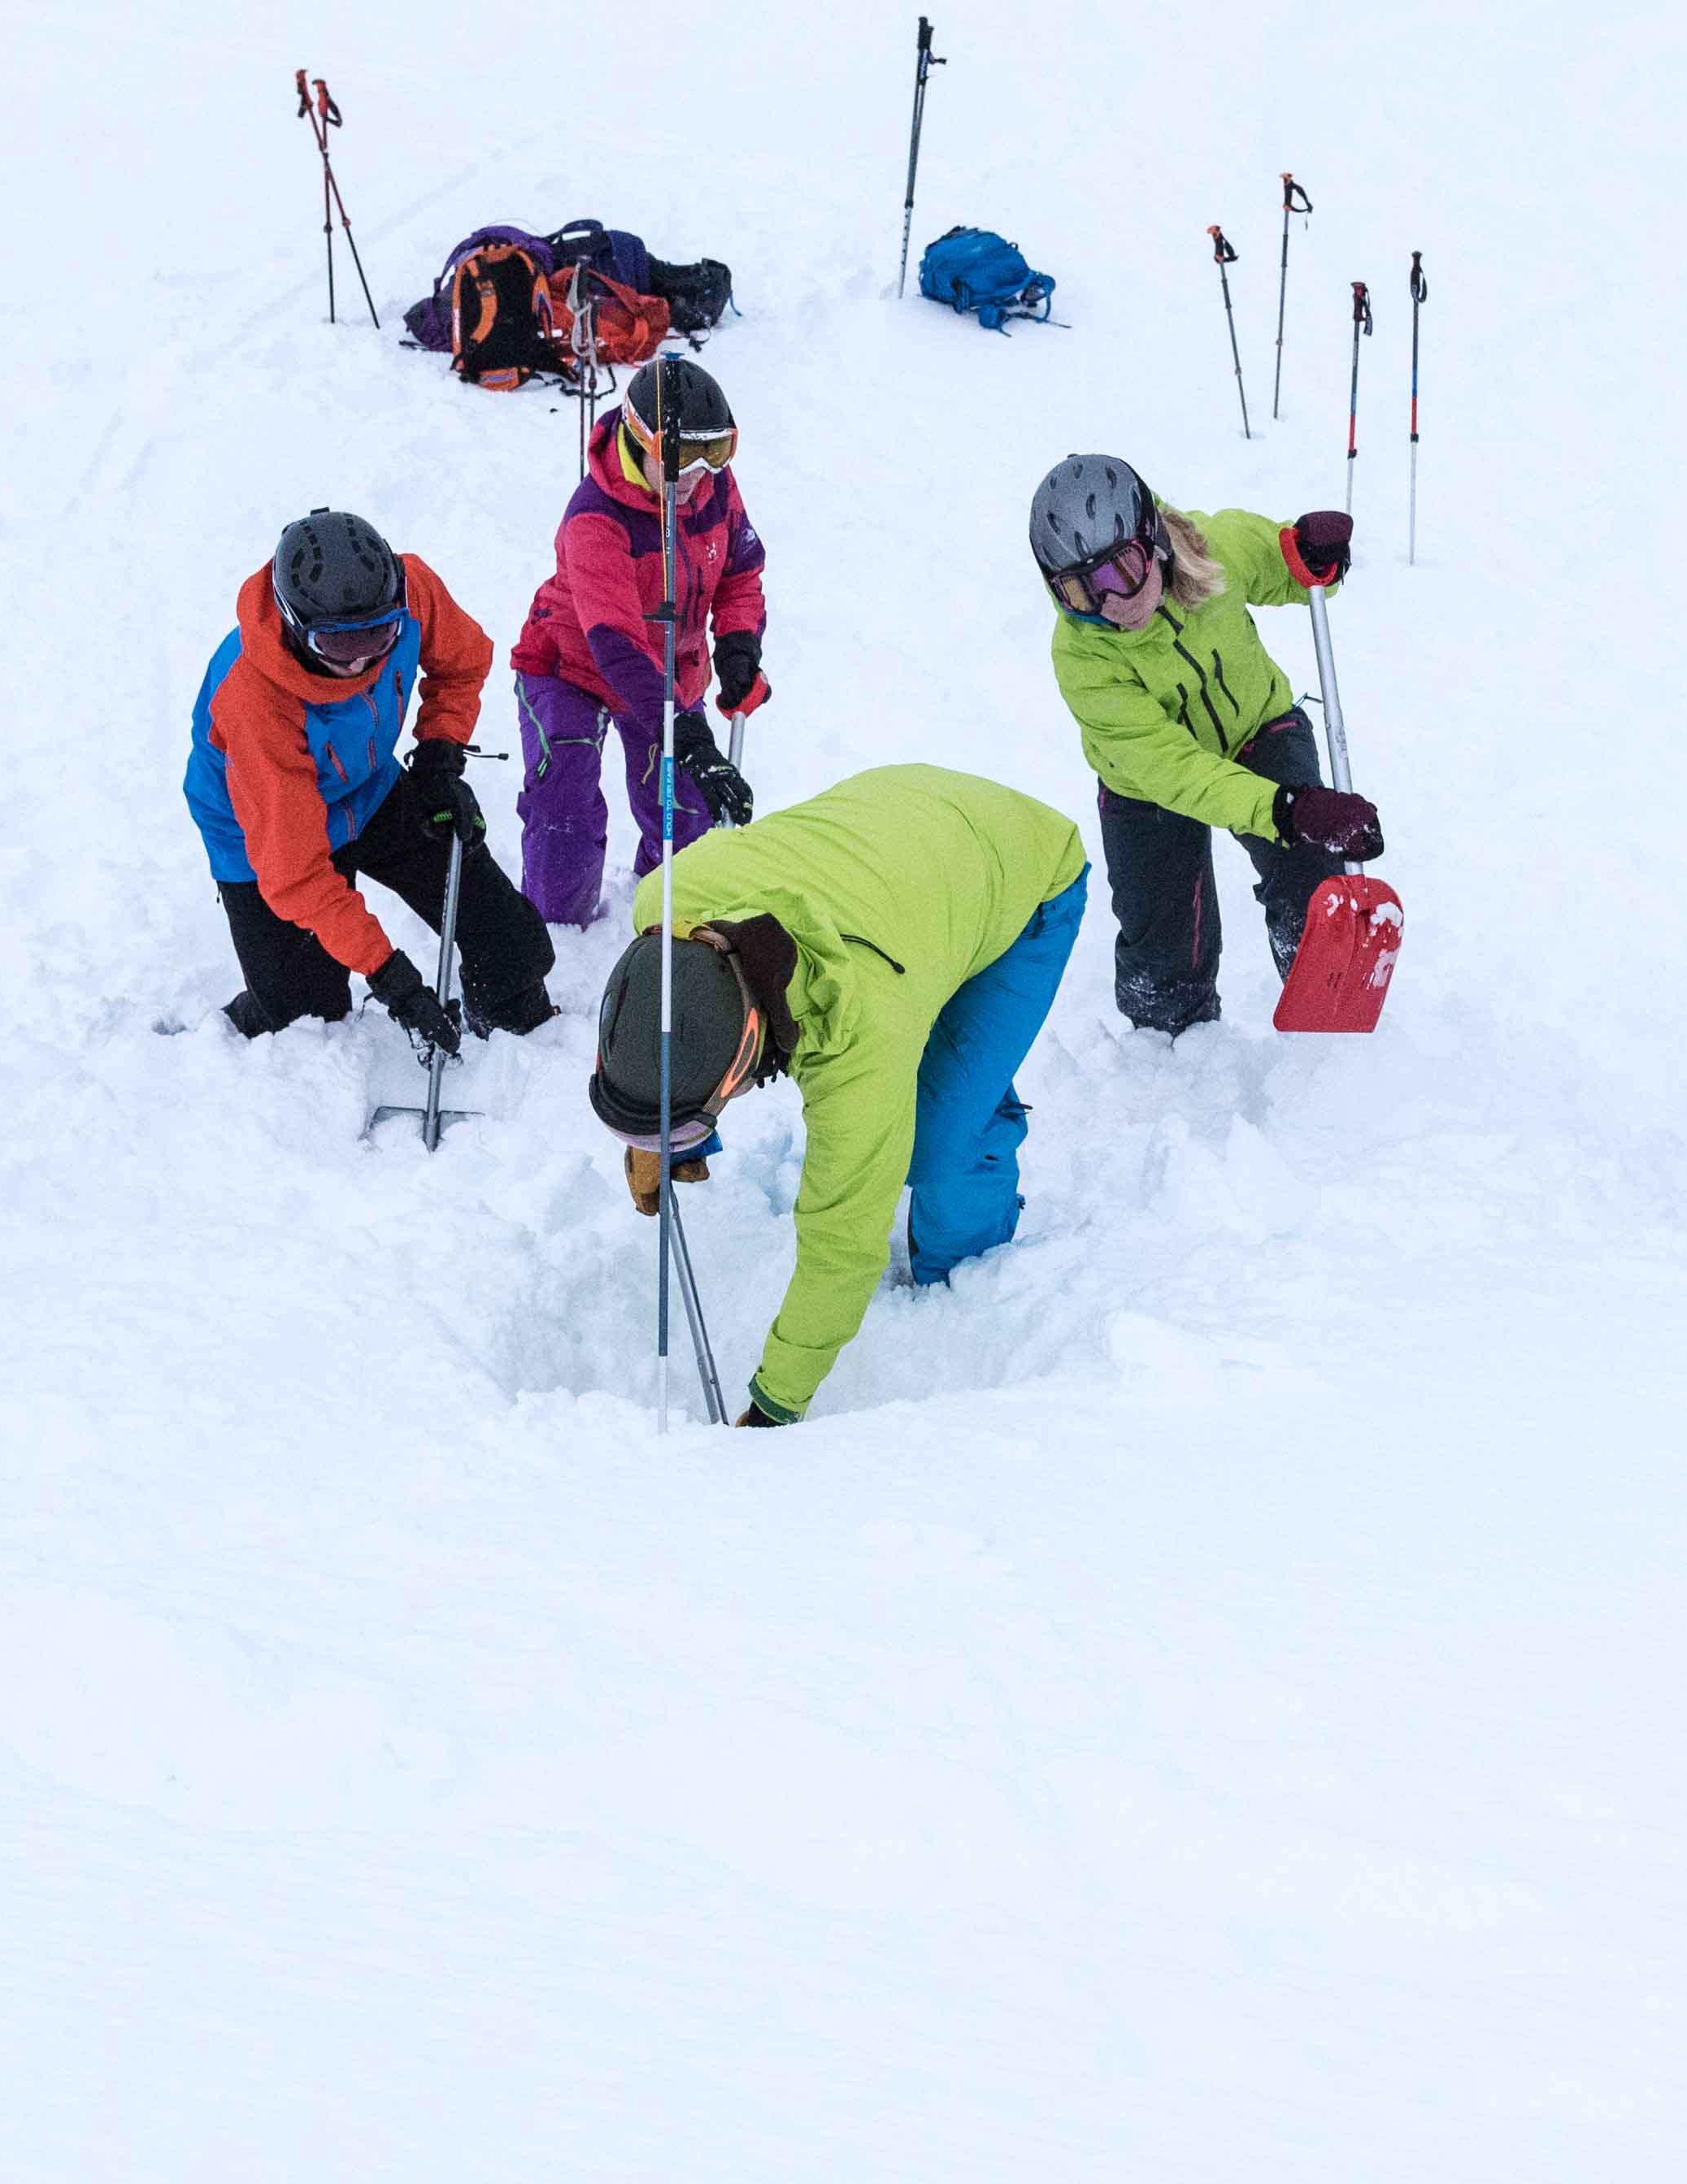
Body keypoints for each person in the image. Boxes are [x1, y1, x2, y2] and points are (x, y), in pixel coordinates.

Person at [583, 765, 1089, 1426]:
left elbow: (840, 1245)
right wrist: (654, 1123)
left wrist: (775, 1401)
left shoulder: (859, 1041)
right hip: (895, 829)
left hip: (1026, 871)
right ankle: (951, 1056)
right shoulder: (665, 904)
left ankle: (968, 1262)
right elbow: (664, 1016)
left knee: (935, 1143)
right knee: (914, 1018)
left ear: (749, 1052)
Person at [1028, 454, 1383, 1034]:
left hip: (1256, 729)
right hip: (1147, 783)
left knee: (1310, 874)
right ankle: (1170, 1054)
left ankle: (1331, 1026)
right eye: (1080, 589)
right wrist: (1285, 809)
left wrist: (1316, 555)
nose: (1111, 603)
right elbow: (1173, 769)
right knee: (1164, 945)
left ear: (1154, 539)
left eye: (1121, 570)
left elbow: (1290, 566)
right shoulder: (1081, 659)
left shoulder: (1214, 547)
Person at [186, 508, 552, 1049]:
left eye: (379, 637)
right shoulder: (255, 701)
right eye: (337, 646)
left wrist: (438, 756)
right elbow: (297, 874)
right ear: (295, 626)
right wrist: (391, 976)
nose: (360, 663)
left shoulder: (411, 593)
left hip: (367, 786)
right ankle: (252, 1014)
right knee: (309, 1018)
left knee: (509, 944)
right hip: (257, 829)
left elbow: (464, 662)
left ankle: (506, 1020)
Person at [507, 359, 766, 924]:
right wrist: (690, 730)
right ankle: (557, 930)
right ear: (637, 437)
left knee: (683, 805)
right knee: (565, 803)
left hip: (670, 667)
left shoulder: (711, 490)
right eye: (682, 456)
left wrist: (739, 646)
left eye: (716, 452)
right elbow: (618, 643)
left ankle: (661, 900)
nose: (701, 471)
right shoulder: (594, 519)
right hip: (572, 664)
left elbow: (741, 570)